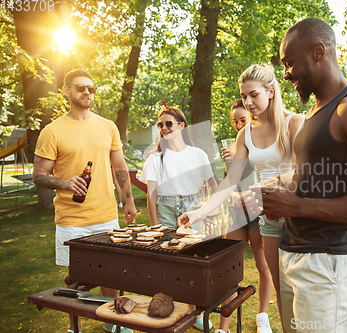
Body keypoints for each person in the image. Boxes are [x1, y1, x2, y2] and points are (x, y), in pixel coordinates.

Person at [252, 18, 347, 332]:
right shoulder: (312, 114)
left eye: (290, 63)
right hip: (296, 254)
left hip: (328, 264)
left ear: (319, 51)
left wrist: (294, 207)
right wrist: (278, 187)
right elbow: (316, 177)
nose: (285, 73)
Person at [178, 64, 303, 333]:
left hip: (299, 215)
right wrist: (198, 213)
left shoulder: (295, 123)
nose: (247, 102)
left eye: (253, 95)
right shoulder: (244, 134)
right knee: (282, 290)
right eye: (244, 96)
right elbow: (229, 182)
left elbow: (303, 171)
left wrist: (264, 186)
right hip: (268, 219)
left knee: (302, 287)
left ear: (271, 92)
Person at [32, 69, 137, 333]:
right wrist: (64, 183)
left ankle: (112, 323)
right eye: (80, 87)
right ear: (66, 91)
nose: (87, 92)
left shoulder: (107, 126)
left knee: (111, 273)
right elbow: (39, 175)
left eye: (91, 88)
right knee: (74, 279)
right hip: (72, 220)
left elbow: (120, 166)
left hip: (106, 215)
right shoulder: (52, 131)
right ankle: (74, 326)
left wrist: (130, 200)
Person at [138, 103, 216, 330]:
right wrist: (155, 227)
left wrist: (204, 207)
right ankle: (170, 309)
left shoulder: (197, 154)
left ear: (181, 125)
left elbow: (213, 185)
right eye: (160, 125)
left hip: (192, 208)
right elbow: (151, 196)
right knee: (168, 263)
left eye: (168, 123)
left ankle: (195, 312)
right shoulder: (156, 157)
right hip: (166, 209)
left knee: (194, 262)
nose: (164, 128)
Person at [218, 99, 274, 333]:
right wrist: (229, 164)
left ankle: (262, 315)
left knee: (263, 265)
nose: (239, 124)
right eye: (235, 121)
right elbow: (231, 183)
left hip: (258, 213)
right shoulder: (235, 147)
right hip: (236, 212)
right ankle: (224, 327)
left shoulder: (261, 142)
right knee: (228, 269)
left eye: (243, 119)